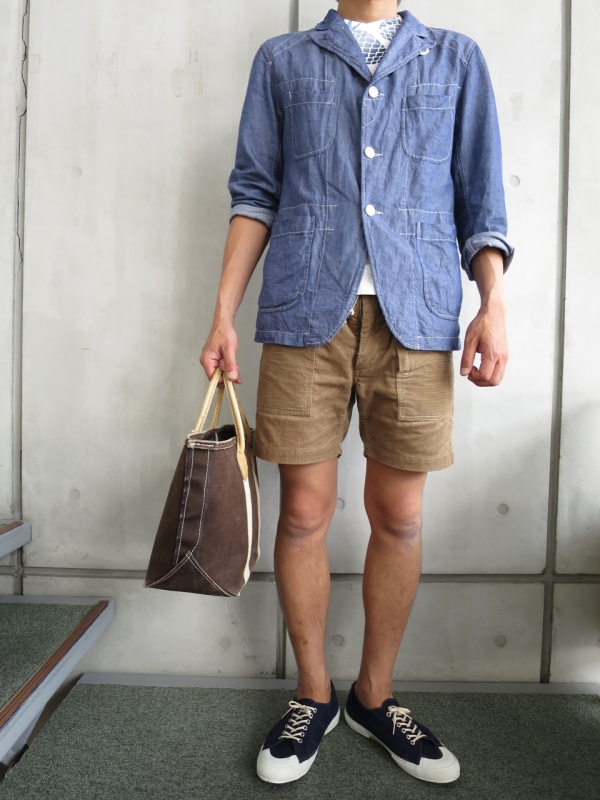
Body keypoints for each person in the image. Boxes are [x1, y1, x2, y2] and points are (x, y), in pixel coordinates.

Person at [200, 0, 513, 786]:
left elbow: (480, 202)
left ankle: (375, 696)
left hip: (419, 318)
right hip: (304, 313)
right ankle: (313, 695)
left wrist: (493, 305)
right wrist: (223, 314)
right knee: (303, 514)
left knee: (399, 517)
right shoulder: (282, 61)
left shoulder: (456, 59)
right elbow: (255, 192)